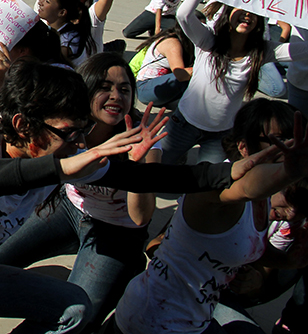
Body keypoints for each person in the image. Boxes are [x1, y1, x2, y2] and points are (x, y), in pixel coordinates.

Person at [0, 59, 253, 334]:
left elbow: (161, 176)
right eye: (67, 133)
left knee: (73, 307)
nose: (76, 143)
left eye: (79, 133)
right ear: (22, 124)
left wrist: (231, 171)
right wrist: (57, 167)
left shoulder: (60, 152)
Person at [0, 53, 164, 331]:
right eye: (105, 87)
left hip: (116, 232)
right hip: (70, 208)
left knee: (76, 313)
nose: (116, 95)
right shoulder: (66, 122)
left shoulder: (144, 137)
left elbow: (141, 217)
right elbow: (21, 117)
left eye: (124, 89)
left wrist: (137, 163)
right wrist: (7, 79)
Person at [114, 100, 308, 334]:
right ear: (243, 147)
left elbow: (252, 245)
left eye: (293, 139)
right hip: (154, 318)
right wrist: (288, 171)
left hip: (195, 317)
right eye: (277, 140)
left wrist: (289, 262)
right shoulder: (214, 188)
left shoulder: (266, 198)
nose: (288, 147)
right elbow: (246, 188)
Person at [160, 0, 308, 165]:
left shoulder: (261, 51)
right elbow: (183, 15)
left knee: (207, 187)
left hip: (221, 135)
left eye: (253, 13)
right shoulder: (208, 41)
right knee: (162, 170)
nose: (247, 14)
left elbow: (303, 50)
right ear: (227, 13)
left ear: (259, 22)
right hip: (184, 123)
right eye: (240, 9)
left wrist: (300, 7)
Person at [134, 24, 194, 108]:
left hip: (160, 88)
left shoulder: (185, 42)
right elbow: (180, 75)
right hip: (145, 88)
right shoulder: (172, 43)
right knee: (187, 78)